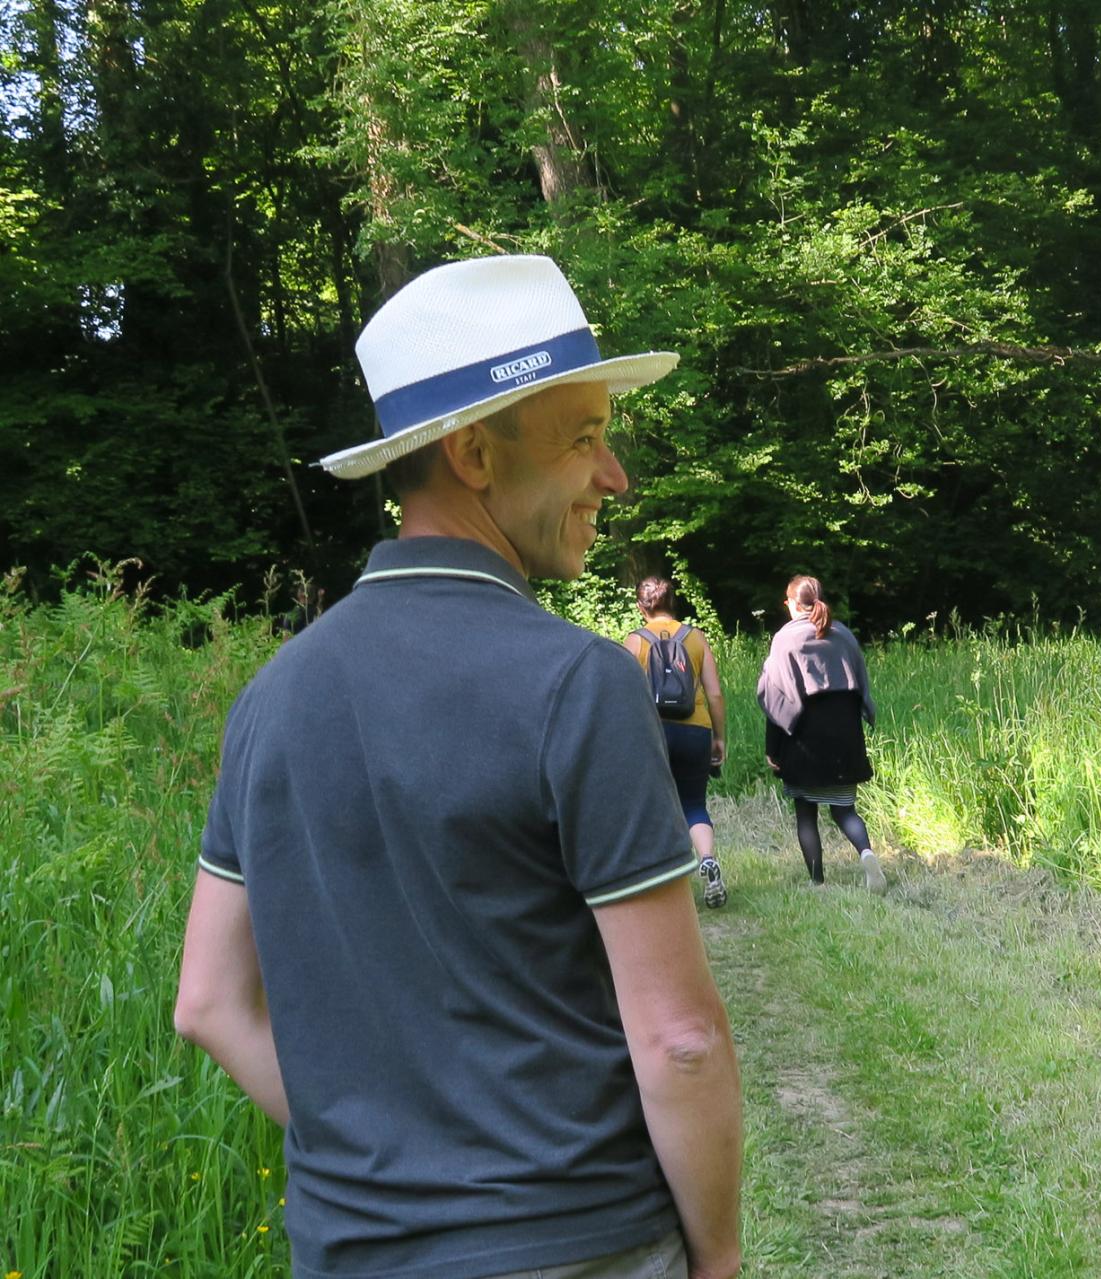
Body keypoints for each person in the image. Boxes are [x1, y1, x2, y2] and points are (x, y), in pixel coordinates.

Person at [172, 255, 743, 1279]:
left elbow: (208, 1000)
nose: (614, 478)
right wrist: (721, 1255)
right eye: (585, 440)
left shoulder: (269, 699)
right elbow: (682, 1039)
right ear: (476, 454)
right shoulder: (575, 684)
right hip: (576, 1244)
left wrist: (389, 1164)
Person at [756, 575, 885, 892]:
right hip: (845, 736)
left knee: (806, 812)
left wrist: (773, 749)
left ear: (790, 603)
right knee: (845, 810)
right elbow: (860, 690)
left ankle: (817, 881)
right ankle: (867, 853)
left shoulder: (786, 640)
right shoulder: (843, 634)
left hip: (803, 740)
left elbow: (776, 700)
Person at [624, 576, 730, 908]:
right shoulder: (695, 638)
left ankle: (662, 884)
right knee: (694, 804)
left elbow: (625, 695)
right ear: (674, 603)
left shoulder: (634, 641)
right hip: (695, 729)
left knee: (651, 806)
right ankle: (708, 859)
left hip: (652, 732)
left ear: (642, 607)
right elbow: (714, 693)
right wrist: (719, 737)